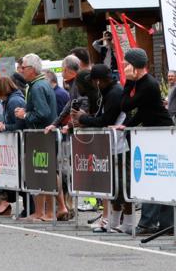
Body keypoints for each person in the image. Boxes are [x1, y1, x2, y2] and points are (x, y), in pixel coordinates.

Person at [115, 48, 175, 235]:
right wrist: (128, 125)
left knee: (155, 177)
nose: (124, 68)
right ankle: (165, 223)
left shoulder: (147, 83)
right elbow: (143, 110)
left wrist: (128, 83)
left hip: (161, 132)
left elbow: (125, 105)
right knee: (159, 177)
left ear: (134, 66)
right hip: (156, 131)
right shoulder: (142, 82)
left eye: (126, 64)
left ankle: (150, 223)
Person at [71, 64, 131, 233]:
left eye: (95, 81)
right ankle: (112, 221)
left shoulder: (115, 93)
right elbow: (99, 117)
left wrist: (83, 118)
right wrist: (85, 119)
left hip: (120, 145)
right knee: (113, 186)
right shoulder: (108, 92)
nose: (94, 84)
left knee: (122, 186)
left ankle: (127, 223)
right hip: (111, 145)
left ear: (99, 80)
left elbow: (106, 120)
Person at [14, 53, 62, 221]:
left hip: (43, 135)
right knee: (41, 173)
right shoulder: (37, 84)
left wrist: (24, 115)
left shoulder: (38, 86)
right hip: (40, 135)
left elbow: (43, 113)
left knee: (45, 172)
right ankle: (43, 211)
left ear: (32, 70)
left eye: (23, 68)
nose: (21, 70)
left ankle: (50, 212)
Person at [0, 77, 33, 217]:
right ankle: (27, 207)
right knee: (18, 178)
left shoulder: (14, 101)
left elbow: (20, 125)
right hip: (14, 145)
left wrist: (3, 127)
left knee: (22, 178)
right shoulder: (8, 100)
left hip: (20, 144)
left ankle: (30, 208)